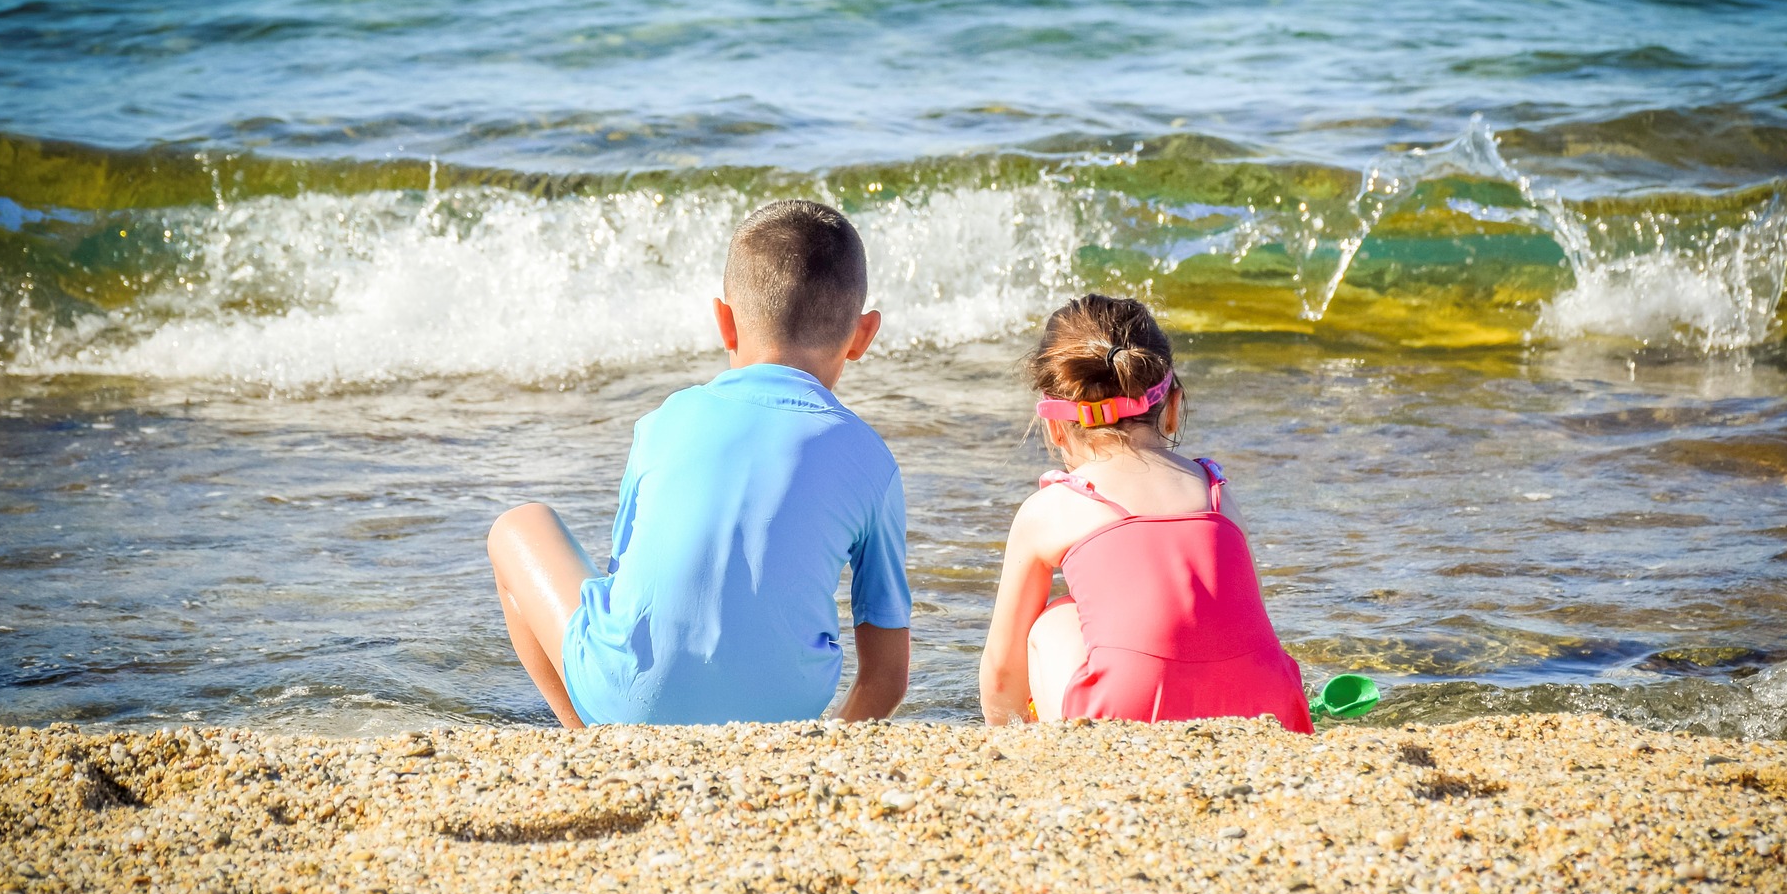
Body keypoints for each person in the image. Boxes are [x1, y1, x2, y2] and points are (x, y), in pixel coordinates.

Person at [487, 200, 911, 727]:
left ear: (725, 323)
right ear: (864, 335)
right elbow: (887, 677)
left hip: (629, 699)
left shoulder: (666, 419)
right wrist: (819, 741)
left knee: (517, 526)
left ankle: (587, 736)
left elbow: (624, 586)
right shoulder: (871, 459)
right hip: (785, 712)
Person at [978, 294, 1311, 730]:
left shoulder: (1052, 508)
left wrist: (1002, 734)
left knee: (1053, 620)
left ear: (1055, 426)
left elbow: (1002, 672)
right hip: (1271, 707)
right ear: (1173, 407)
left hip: (1122, 716)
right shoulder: (1216, 492)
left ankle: (1060, 740)